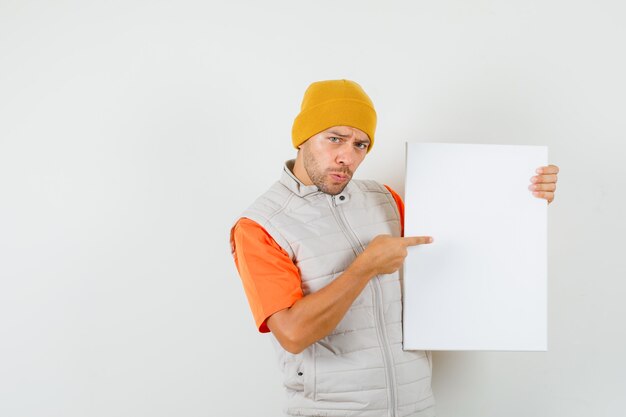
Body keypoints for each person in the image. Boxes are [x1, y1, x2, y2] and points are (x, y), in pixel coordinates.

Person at [230, 79, 559, 417]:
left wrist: (526, 200)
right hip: (332, 411)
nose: (347, 157)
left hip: (415, 404)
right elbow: (293, 334)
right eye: (335, 138)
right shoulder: (261, 226)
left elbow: (461, 242)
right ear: (302, 138)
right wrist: (364, 267)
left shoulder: (384, 199)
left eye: (361, 144)